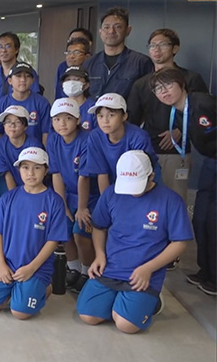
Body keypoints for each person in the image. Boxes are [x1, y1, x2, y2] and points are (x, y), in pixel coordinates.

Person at [77, 150, 192, 333]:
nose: (131, 192)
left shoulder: (170, 201)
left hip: (144, 272)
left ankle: (150, 302)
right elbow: (99, 226)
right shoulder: (112, 193)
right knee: (88, 315)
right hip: (111, 267)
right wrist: (99, 255)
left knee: (125, 325)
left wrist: (148, 268)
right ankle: (124, 303)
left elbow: (180, 242)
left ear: (151, 176)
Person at [0, 147, 70, 319]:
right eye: (25, 167)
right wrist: (1, 264)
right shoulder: (9, 197)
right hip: (9, 264)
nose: (30, 173)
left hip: (36, 267)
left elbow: (53, 240)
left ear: (46, 170)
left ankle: (44, 287)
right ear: (19, 170)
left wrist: (32, 268)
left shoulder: (54, 202)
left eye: (37, 167)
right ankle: (18, 290)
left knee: (20, 313)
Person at [149, 68, 216, 295]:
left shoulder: (203, 102)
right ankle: (206, 271)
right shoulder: (176, 113)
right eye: (158, 89)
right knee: (202, 217)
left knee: (214, 220)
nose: (163, 91)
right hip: (210, 162)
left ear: (182, 84)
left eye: (168, 85)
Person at [127, 29, 209, 205]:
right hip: (149, 151)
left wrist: (181, 129)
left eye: (163, 44)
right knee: (148, 202)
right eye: (152, 45)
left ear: (175, 49)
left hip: (177, 152)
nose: (157, 49)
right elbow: (132, 119)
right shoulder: (142, 83)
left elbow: (203, 115)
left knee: (176, 201)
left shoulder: (191, 78)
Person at [47, 99, 99, 294]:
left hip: (90, 195)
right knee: (63, 227)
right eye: (57, 119)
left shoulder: (87, 139)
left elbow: (84, 177)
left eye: (68, 118)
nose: (62, 123)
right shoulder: (53, 140)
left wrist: (82, 207)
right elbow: (57, 173)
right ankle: (73, 267)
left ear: (78, 120)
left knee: (80, 231)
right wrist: (63, 206)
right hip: (67, 194)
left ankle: (87, 271)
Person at [83, 93, 161, 194]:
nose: (105, 121)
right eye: (100, 116)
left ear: (124, 116)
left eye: (111, 115)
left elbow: (142, 176)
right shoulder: (95, 137)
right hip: (117, 181)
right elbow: (102, 173)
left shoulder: (138, 137)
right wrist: (108, 202)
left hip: (142, 180)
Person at [0, 32, 40, 142]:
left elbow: (33, 97)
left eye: (8, 46)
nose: (3, 50)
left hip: (22, 127)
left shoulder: (27, 72)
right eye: (0, 47)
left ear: (16, 49)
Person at [83, 7, 153, 99]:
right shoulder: (89, 63)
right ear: (100, 32)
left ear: (128, 30)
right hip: (94, 113)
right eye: (106, 27)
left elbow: (148, 97)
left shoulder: (141, 62)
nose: (111, 31)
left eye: (118, 27)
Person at [0, 62, 51, 146]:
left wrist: (43, 155)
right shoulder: (1, 104)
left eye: (27, 76)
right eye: (18, 76)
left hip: (34, 153)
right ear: (10, 80)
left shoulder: (42, 103)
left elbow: (46, 133)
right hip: (8, 154)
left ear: (33, 80)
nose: (23, 79)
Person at [0, 105, 44, 194]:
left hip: (32, 181)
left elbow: (36, 173)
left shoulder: (34, 145)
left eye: (17, 122)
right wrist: (15, 196)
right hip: (9, 181)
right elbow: (6, 173)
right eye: (8, 122)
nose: (12, 125)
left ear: (25, 126)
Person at [53, 28, 93, 100]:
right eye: (69, 53)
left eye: (77, 52)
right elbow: (58, 93)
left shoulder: (94, 67)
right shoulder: (62, 67)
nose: (72, 56)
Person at [58, 65, 97, 131]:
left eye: (77, 79)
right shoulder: (59, 106)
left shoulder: (93, 108)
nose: (71, 83)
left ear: (86, 85)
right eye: (68, 79)